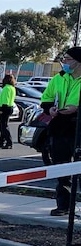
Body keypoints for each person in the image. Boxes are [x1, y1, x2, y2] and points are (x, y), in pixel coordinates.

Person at [40, 48, 81, 216]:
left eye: (68, 59)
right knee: (62, 169)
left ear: (79, 62)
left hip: (78, 126)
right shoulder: (58, 78)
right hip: (60, 127)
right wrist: (50, 109)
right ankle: (64, 205)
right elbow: (46, 98)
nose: (65, 62)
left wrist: (76, 109)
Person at [0, 73, 16, 149]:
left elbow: (5, 99)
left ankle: (9, 142)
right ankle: (1, 141)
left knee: (4, 126)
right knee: (3, 125)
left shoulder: (6, 88)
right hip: (9, 107)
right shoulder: (12, 88)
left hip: (5, 108)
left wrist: (1, 109)